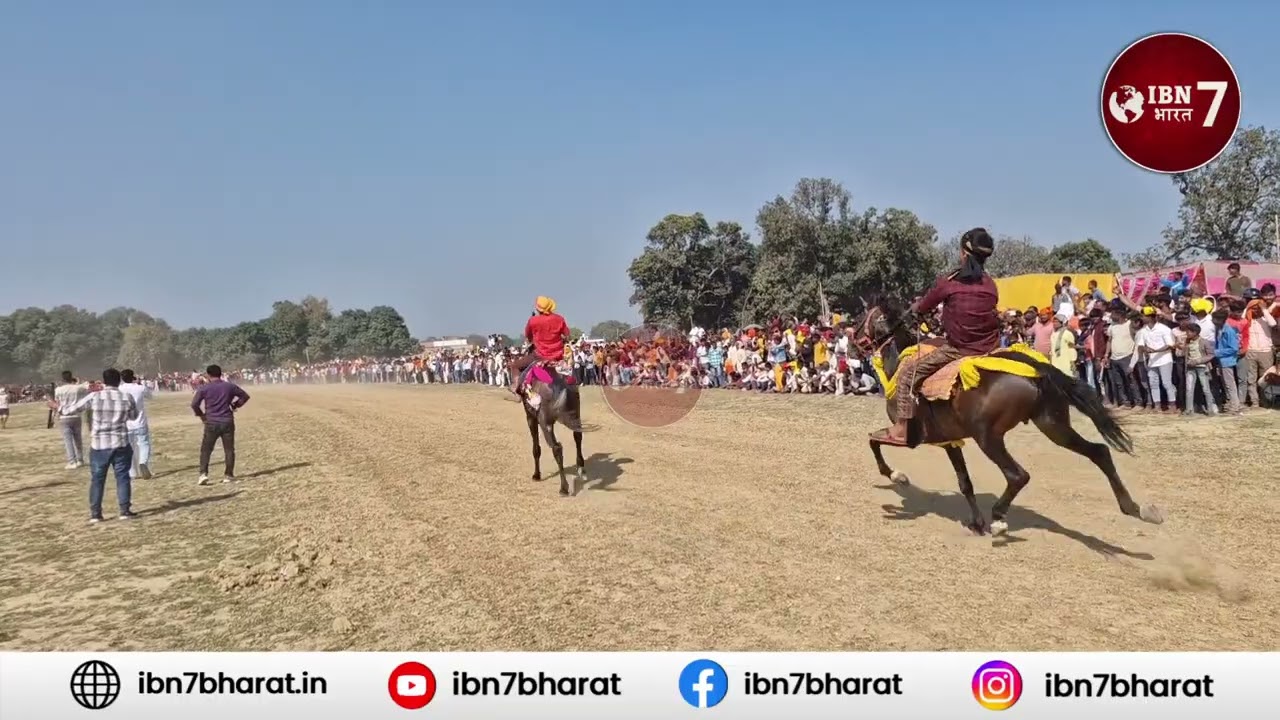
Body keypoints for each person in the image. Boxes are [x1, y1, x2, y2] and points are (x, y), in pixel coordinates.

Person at [877, 227, 1000, 444]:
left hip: (959, 349)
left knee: (907, 376)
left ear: (964, 253)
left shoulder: (949, 283)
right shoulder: (991, 285)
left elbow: (924, 306)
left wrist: (916, 308)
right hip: (990, 347)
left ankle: (902, 428)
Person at [46, 368, 139, 523]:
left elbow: (71, 409)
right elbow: (134, 416)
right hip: (121, 442)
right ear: (119, 381)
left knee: (97, 479)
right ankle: (124, 510)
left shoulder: (95, 396)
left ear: (104, 381)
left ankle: (96, 513)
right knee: (122, 477)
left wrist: (56, 406)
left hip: (99, 445)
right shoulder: (126, 397)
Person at [191, 364, 251, 485]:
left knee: (206, 450)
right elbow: (245, 396)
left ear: (208, 375)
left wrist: (201, 415)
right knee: (229, 449)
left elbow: (194, 404)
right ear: (220, 373)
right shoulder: (229, 386)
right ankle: (228, 475)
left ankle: (203, 474)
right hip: (227, 420)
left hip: (211, 421)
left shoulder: (204, 388)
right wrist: (235, 405)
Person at [508, 296, 570, 405]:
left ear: (538, 309)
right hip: (558, 356)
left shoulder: (533, 321)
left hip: (539, 355)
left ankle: (516, 390)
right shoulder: (560, 319)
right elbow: (567, 335)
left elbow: (528, 335)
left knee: (515, 365)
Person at [119, 369, 154, 479]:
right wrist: (139, 383)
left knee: (129, 448)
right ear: (133, 377)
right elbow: (150, 396)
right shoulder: (140, 388)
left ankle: (132, 472)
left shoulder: (119, 389)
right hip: (140, 421)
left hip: (126, 423)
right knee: (144, 444)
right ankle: (143, 462)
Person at [53, 370, 89, 469]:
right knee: (78, 439)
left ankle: (72, 461)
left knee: (68, 440)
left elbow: (57, 402)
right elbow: (86, 387)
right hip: (76, 415)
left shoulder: (58, 390)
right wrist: (78, 382)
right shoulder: (77, 388)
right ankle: (80, 459)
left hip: (64, 416)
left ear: (62, 379)